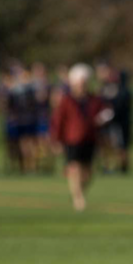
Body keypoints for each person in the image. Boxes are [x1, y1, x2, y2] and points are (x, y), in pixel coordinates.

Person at [50, 64, 109, 211]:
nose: (82, 86)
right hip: (72, 139)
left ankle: (78, 192)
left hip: (90, 138)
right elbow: (58, 121)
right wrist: (56, 140)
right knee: (74, 168)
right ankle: (78, 198)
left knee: (88, 172)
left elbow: (105, 114)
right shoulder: (66, 100)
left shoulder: (95, 100)